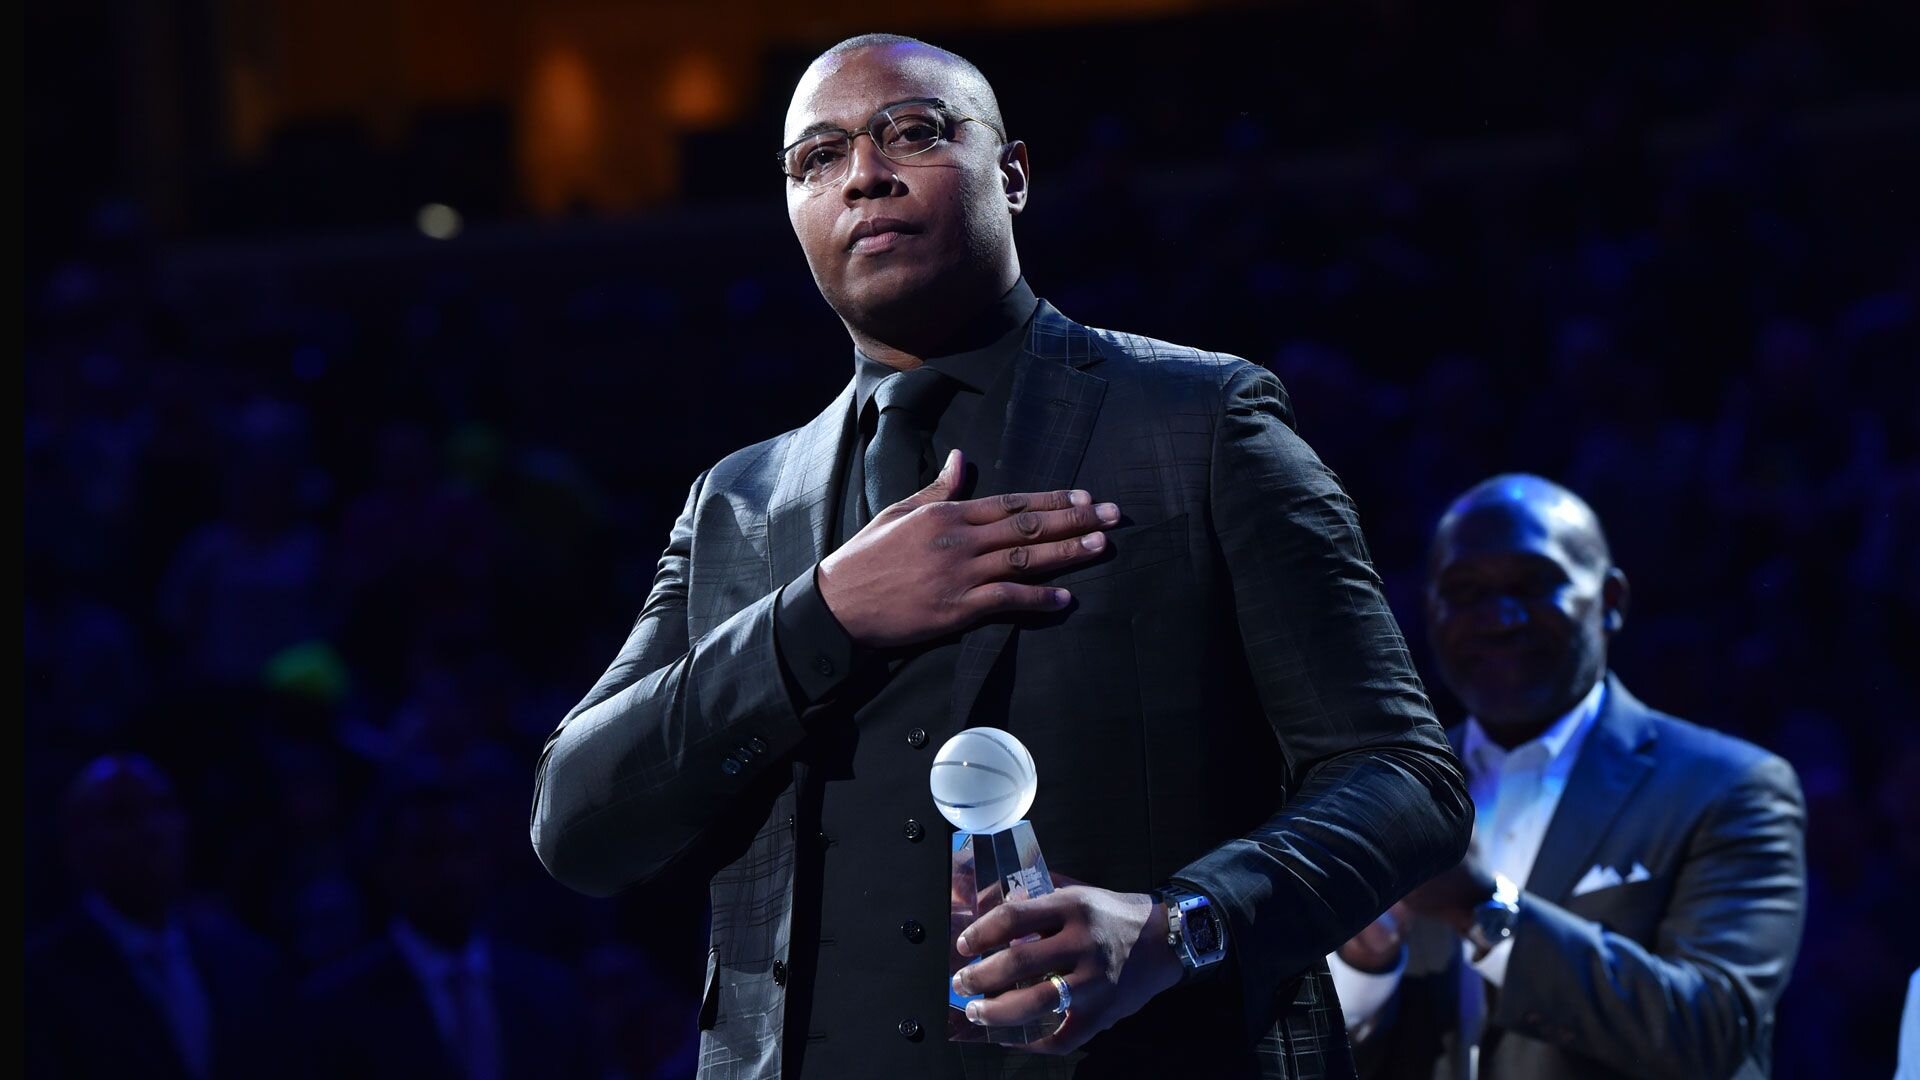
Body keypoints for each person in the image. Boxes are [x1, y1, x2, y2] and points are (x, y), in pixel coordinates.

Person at [530, 33, 1471, 1080]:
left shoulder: (1202, 423)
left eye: (913, 132)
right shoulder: (735, 506)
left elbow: (1404, 778)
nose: (865, 175)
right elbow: (577, 823)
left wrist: (1176, 927)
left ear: (1011, 174)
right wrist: (820, 617)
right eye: (819, 157)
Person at [1328, 475, 1807, 1079]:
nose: (1499, 617)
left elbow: (1714, 1031)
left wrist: (1480, 906)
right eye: (1466, 591)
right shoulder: (1388, 793)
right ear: (1430, 611)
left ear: (1610, 601)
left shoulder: (1732, 787)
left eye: (1532, 585)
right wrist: (1366, 960)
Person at [302, 779, 595, 1079]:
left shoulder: (549, 991)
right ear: (387, 866)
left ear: (487, 859)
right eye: (427, 853)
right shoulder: (337, 1006)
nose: (450, 870)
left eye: (463, 848)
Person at [27, 755, 290, 1080]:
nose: (151, 830)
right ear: (76, 842)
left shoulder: (247, 961)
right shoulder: (39, 983)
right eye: (120, 814)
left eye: (162, 807)